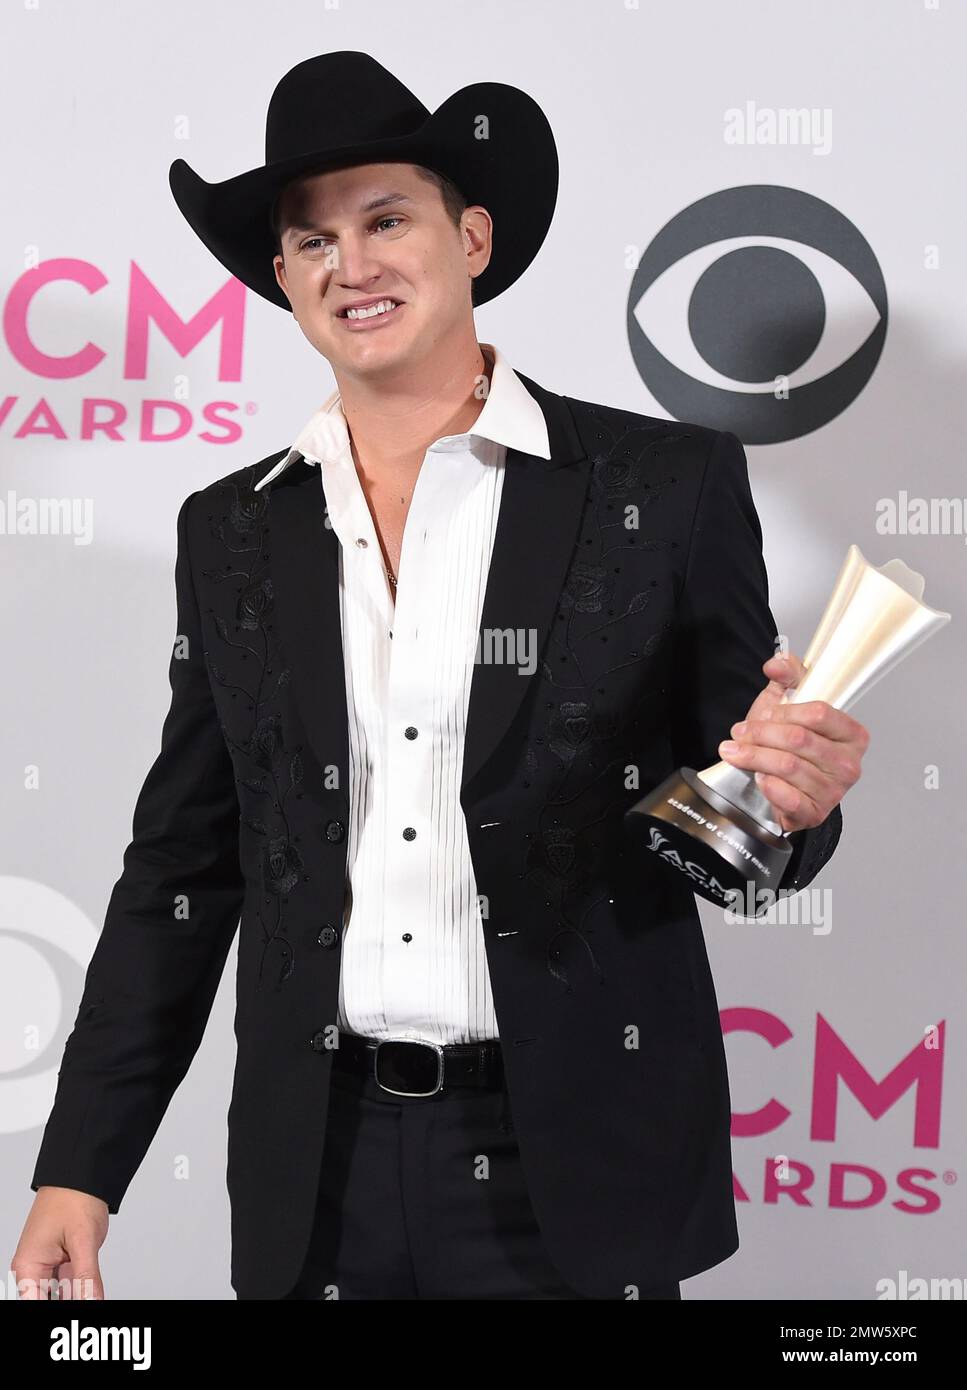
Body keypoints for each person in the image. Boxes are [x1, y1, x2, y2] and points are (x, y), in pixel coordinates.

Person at [13, 52, 869, 1301]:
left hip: (571, 1165)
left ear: (472, 236)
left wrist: (789, 804)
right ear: (283, 280)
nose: (348, 265)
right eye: (309, 241)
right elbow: (184, 870)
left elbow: (733, 813)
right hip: (321, 1171)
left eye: (385, 220)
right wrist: (80, 1169)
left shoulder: (662, 487)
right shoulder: (232, 531)